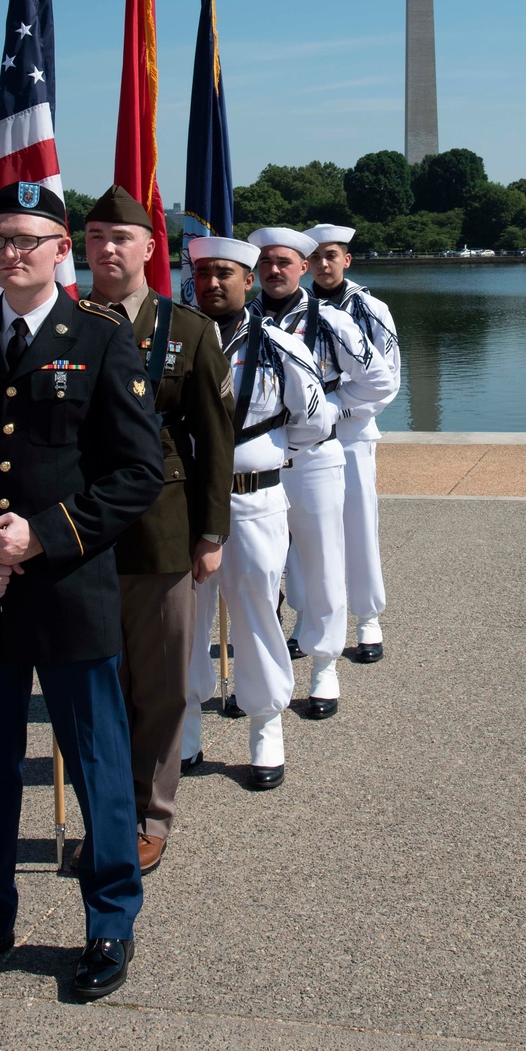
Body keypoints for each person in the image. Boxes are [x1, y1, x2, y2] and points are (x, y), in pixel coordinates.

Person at [0, 180, 164, 1002]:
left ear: (63, 251)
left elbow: (137, 474)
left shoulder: (98, 337)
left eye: (31, 239)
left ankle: (110, 921)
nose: (14, 252)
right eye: (1, 238)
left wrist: (43, 535)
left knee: (97, 766)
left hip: (71, 594)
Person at [81, 184, 233, 875]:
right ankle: (105, 816)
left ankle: (150, 814)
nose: (107, 250)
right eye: (94, 239)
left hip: (162, 531)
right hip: (78, 531)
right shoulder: (65, 321)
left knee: (163, 685)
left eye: (121, 239)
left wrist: (210, 533)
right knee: (92, 685)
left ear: (150, 249)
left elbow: (213, 440)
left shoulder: (188, 331)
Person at [183, 236, 333, 788]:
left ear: (248, 281)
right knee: (185, 617)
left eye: (225, 273)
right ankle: (186, 726)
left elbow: (314, 422)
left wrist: (259, 455)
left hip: (254, 499)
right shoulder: (170, 344)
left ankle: (266, 724)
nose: (213, 283)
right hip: (186, 503)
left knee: (255, 613)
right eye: (203, 274)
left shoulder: (279, 346)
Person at [247, 226, 393, 716]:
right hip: (262, 457)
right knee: (269, 562)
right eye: (264, 262)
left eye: (283, 262)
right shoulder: (237, 321)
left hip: (319, 452)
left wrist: (329, 408)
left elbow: (379, 380)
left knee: (333, 548)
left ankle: (326, 660)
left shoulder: (332, 320)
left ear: (302, 267)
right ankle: (278, 655)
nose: (272, 270)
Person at [304, 224, 401, 662]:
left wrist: (337, 406)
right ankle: (308, 618)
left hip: (352, 434)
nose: (324, 265)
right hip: (303, 439)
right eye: (317, 257)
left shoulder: (371, 308)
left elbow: (389, 380)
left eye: (333, 256)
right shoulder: (291, 310)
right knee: (301, 534)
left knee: (359, 527)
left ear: (347, 260)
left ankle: (367, 618)